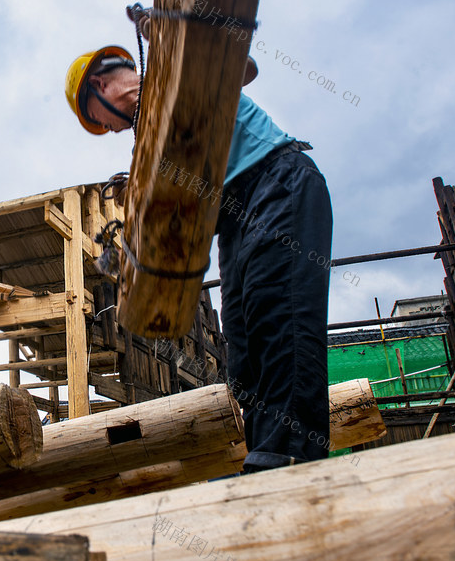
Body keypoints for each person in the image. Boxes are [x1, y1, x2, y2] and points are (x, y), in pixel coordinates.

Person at [65, 43, 331, 473]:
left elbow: (242, 67)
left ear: (99, 86)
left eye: (101, 121)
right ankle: (265, 453)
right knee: (244, 352)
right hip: (233, 218)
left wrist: (176, 42)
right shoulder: (154, 137)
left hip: (277, 184)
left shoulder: (172, 82)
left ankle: (292, 457)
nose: (112, 130)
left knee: (281, 324)